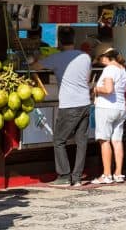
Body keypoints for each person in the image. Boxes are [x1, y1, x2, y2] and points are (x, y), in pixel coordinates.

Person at [31, 26, 91, 186]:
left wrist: (37, 59)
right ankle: (77, 177)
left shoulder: (57, 58)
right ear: (74, 39)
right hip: (85, 102)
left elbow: (35, 67)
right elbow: (87, 77)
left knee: (59, 139)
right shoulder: (85, 57)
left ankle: (64, 176)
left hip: (69, 104)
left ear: (59, 40)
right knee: (81, 141)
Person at [91, 44, 126, 185]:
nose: (100, 62)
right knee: (117, 141)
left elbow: (108, 89)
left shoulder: (109, 69)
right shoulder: (122, 69)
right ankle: (118, 173)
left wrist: (95, 89)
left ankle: (106, 175)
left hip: (106, 108)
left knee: (104, 140)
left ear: (106, 57)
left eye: (100, 59)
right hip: (120, 107)